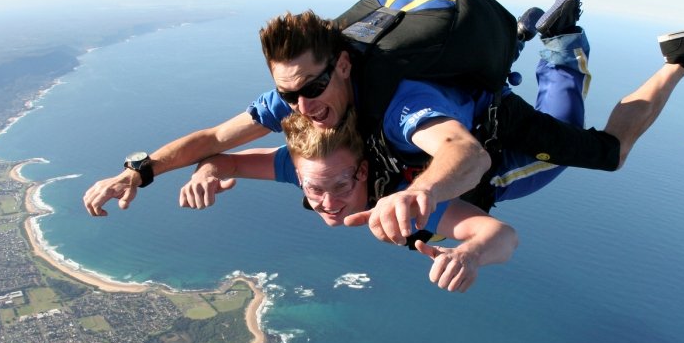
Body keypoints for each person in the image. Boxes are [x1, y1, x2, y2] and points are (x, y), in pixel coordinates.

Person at [82, 0, 684, 246]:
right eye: (286, 95)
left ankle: (671, 57)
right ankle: (542, 37)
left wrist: (413, 199)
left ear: (340, 63)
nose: (300, 106)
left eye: (308, 89)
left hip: (497, 143)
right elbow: (214, 141)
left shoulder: (395, 105)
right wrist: (139, 171)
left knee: (605, 151)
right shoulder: (303, 118)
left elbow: (465, 156)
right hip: (465, 111)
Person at [185, 109, 519, 293]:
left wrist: (469, 255)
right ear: (298, 175)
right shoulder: (307, 166)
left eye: (341, 183)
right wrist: (206, 174)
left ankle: (559, 44)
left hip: (508, 165)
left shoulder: (400, 200)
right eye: (313, 188)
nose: (328, 201)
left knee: (562, 130)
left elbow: (503, 235)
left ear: (363, 171)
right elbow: (224, 160)